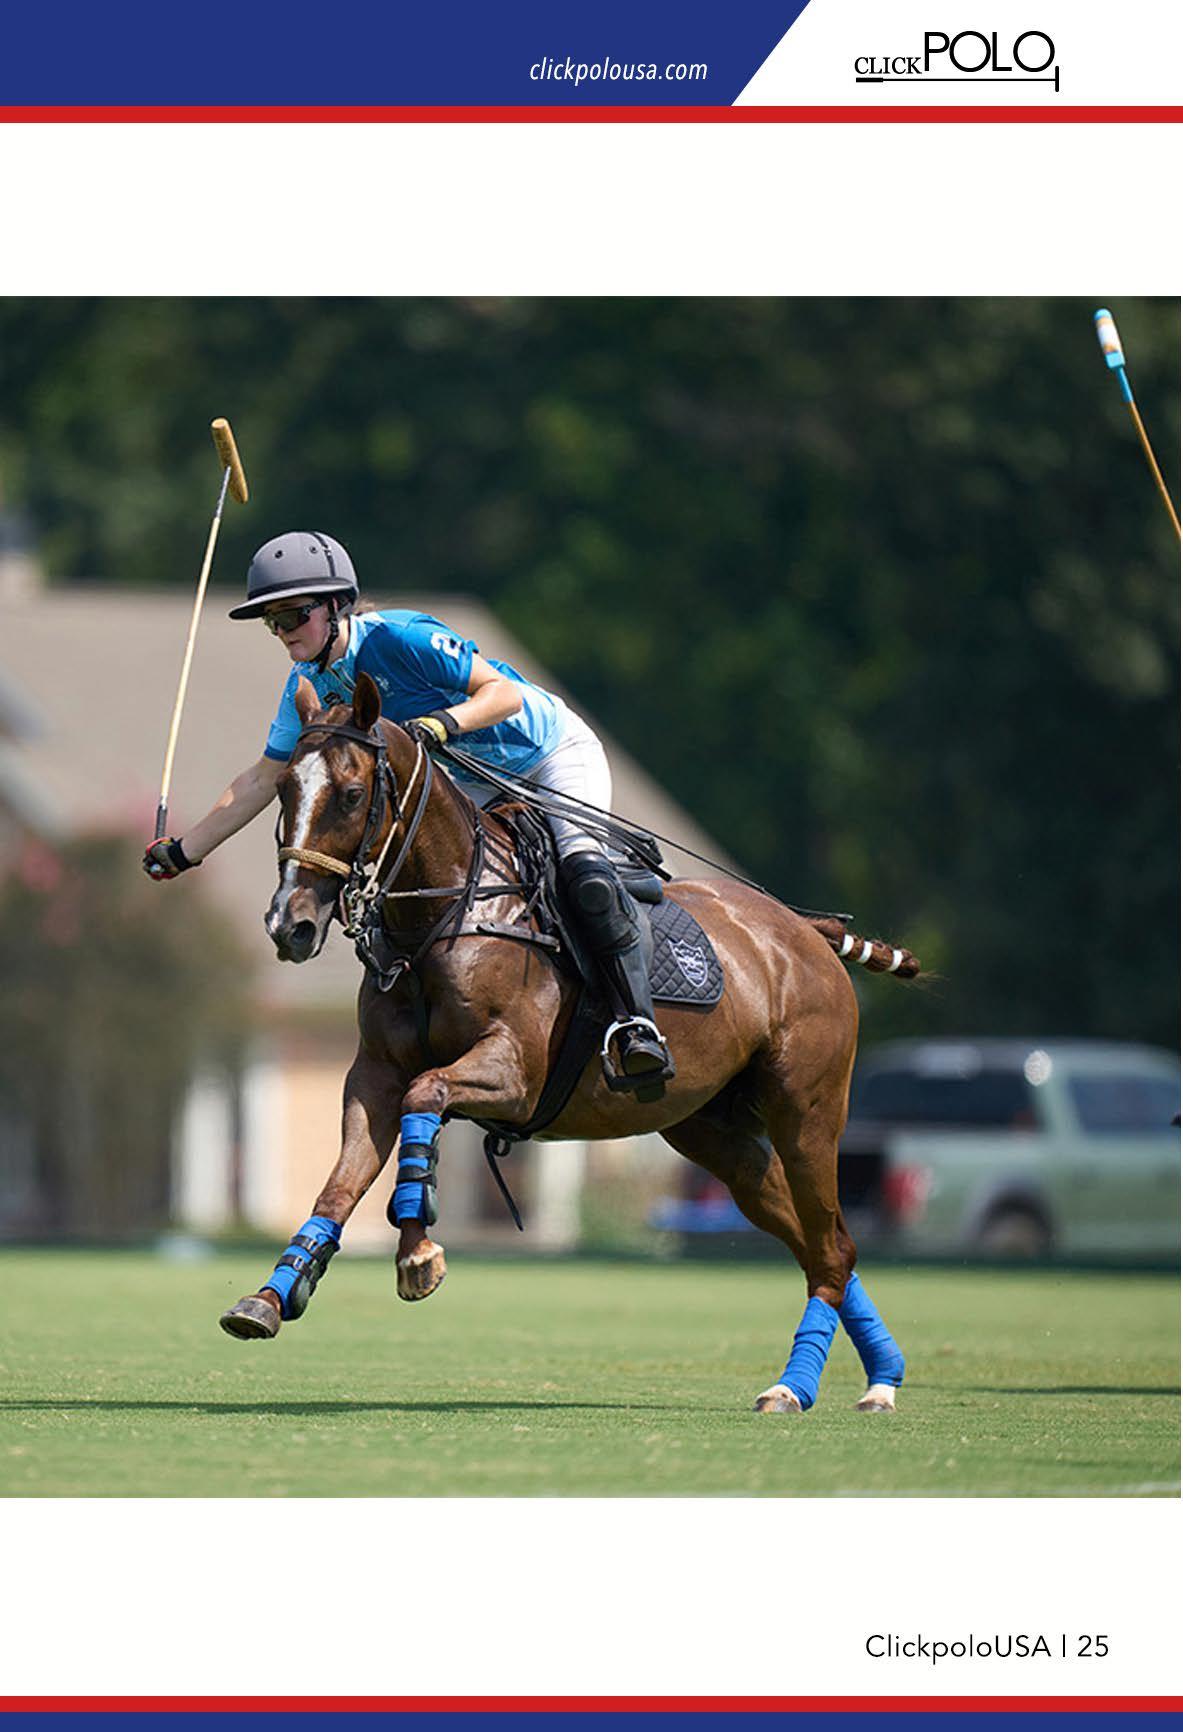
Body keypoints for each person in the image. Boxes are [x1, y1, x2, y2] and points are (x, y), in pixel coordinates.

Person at [143, 529, 674, 1092]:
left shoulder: (400, 637)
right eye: (273, 622)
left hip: (548, 756)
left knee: (583, 875)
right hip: (474, 785)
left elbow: (504, 694)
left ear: (335, 605)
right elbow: (262, 777)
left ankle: (635, 1025)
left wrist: (442, 724)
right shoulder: (306, 684)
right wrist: (184, 851)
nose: (284, 631)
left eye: (294, 615)